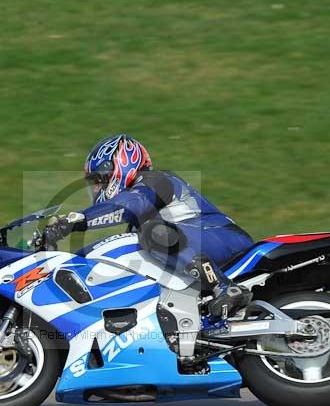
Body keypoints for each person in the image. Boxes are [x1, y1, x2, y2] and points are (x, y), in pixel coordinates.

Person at [43, 134, 254, 318]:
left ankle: (224, 287)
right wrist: (68, 261)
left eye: (99, 181)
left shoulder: (156, 181)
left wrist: (77, 220)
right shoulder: (140, 220)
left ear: (120, 167)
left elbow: (128, 205)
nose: (97, 189)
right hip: (202, 244)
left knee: (153, 232)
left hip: (224, 238)